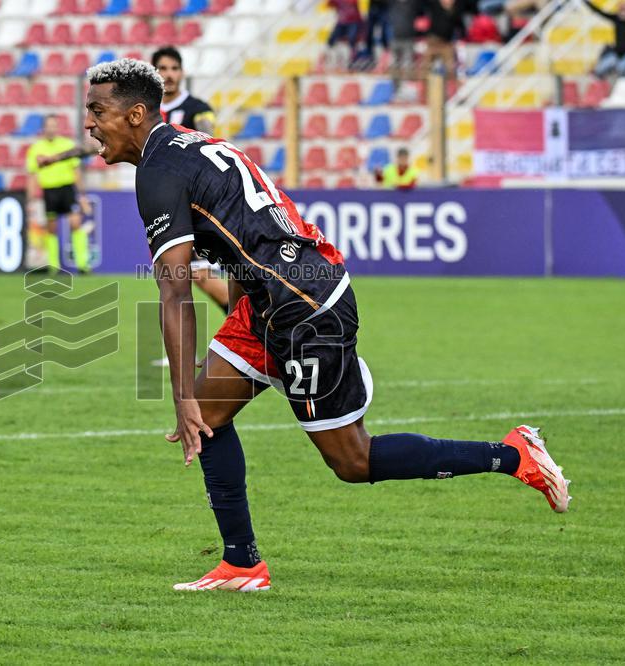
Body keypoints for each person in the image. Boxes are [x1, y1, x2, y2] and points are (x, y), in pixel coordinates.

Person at [84, 59, 571, 592]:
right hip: (275, 300)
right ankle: (242, 565)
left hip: (307, 309)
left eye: (97, 110)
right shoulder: (192, 143)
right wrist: (241, 323)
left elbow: (175, 289)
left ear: (134, 114)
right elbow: (244, 236)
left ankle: (512, 454)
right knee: (210, 413)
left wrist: (178, 394)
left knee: (351, 461)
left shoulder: (158, 172)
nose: (88, 123)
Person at [151, 45, 228, 313]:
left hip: (192, 203)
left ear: (182, 72)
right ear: (154, 72)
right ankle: (179, 350)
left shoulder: (197, 108)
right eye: (163, 68)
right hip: (161, 203)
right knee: (167, 274)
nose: (169, 74)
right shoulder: (145, 112)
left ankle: (253, 326)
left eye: (174, 68)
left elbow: (210, 137)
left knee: (198, 274)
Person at [25, 114, 93, 274]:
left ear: (57, 127)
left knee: (75, 223)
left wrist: (82, 194)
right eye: (49, 125)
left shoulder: (66, 145)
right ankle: (53, 265)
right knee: (51, 228)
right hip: (49, 191)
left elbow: (76, 171)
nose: (51, 128)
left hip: (67, 189)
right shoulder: (36, 148)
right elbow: (32, 175)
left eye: (54, 125)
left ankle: (83, 264)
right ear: (43, 128)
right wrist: (30, 200)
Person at [584, 0, 625, 78]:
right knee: (600, 68)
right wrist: (586, 2)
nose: (623, 12)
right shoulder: (616, 19)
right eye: (621, 9)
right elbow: (600, 12)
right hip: (619, 55)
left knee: (621, 67)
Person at [420, 0, 464, 79]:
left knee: (450, 70)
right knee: (425, 69)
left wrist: (460, 39)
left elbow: (460, 26)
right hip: (433, 42)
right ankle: (424, 89)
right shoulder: (435, 6)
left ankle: (451, 89)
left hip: (447, 44)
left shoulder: (456, 10)